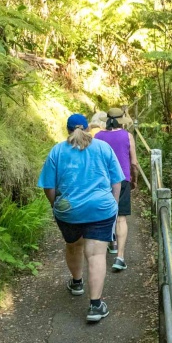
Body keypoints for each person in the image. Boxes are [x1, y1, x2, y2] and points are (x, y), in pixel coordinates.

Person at [38, 114, 124, 322]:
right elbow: (116, 181)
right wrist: (113, 204)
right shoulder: (103, 148)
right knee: (95, 255)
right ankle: (95, 306)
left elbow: (49, 186)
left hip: (69, 210)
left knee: (74, 245)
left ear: (67, 129)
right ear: (88, 128)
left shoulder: (57, 151)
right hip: (100, 209)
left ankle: (77, 283)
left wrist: (56, 206)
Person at [95, 107, 138, 271]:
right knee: (121, 218)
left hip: (102, 181)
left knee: (105, 214)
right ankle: (120, 257)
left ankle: (111, 243)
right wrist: (134, 180)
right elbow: (134, 163)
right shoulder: (127, 136)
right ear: (122, 119)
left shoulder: (98, 137)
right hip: (122, 179)